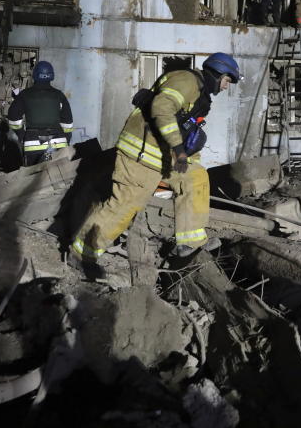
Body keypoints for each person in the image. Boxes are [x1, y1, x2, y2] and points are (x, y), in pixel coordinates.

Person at [70, 53, 242, 269]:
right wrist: (178, 149)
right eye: (227, 81)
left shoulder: (200, 95)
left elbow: (186, 130)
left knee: (196, 177)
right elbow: (161, 107)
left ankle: (190, 244)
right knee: (124, 206)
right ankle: (82, 254)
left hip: (162, 157)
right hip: (140, 155)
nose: (226, 87)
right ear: (217, 73)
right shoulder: (187, 80)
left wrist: (188, 156)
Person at [7, 61, 74, 166]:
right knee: (58, 178)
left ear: (35, 76)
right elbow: (68, 122)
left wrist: (22, 135)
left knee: (34, 179)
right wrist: (66, 138)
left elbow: (13, 117)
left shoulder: (25, 95)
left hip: (33, 145)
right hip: (59, 144)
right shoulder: (59, 95)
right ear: (51, 76)